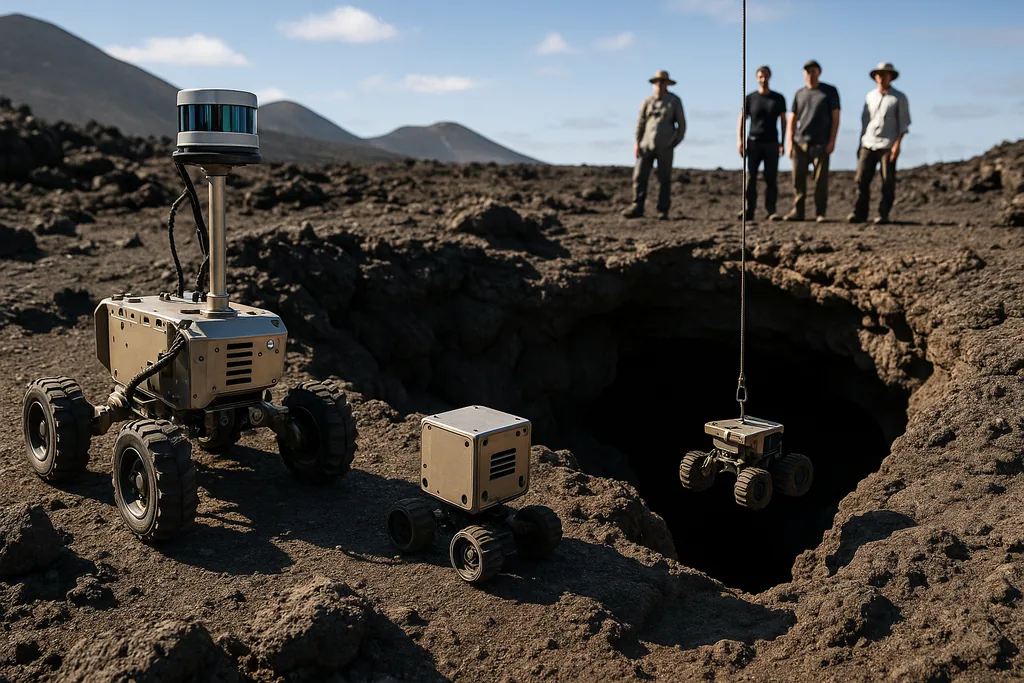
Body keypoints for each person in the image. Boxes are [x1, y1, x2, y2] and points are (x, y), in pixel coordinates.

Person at [848, 62, 911, 225]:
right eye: (879, 75)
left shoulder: (899, 98)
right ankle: (860, 213)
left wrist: (897, 145)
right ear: (875, 77)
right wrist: (860, 143)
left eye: (885, 75)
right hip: (868, 142)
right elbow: (864, 121)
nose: (882, 78)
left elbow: (903, 124)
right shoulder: (869, 96)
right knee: (861, 179)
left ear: (891, 77)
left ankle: (883, 214)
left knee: (887, 180)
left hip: (887, 144)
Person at [623, 70, 686, 220]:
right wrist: (637, 143)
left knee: (664, 178)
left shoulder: (674, 101)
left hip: (665, 145)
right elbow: (640, 123)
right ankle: (637, 206)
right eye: (657, 82)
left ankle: (662, 210)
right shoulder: (647, 101)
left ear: (667, 84)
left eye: (662, 82)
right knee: (639, 176)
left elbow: (681, 125)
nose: (659, 85)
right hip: (646, 144)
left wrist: (673, 142)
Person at [784, 60, 840, 222]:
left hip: (821, 142)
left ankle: (820, 212)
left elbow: (836, 117)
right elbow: (792, 119)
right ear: (803, 73)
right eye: (807, 71)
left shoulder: (829, 91)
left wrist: (832, 141)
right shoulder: (799, 93)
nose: (810, 73)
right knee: (798, 180)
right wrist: (790, 143)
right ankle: (798, 211)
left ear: (819, 72)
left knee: (820, 181)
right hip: (800, 142)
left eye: (813, 70)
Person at [737, 65, 786, 220]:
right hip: (754, 143)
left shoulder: (778, 98)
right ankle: (748, 210)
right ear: (757, 78)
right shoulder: (750, 98)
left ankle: (771, 210)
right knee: (750, 178)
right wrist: (740, 141)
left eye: (765, 76)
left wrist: (783, 142)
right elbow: (742, 119)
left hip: (772, 143)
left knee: (770, 178)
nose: (763, 79)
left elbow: (784, 121)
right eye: (760, 76)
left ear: (769, 77)